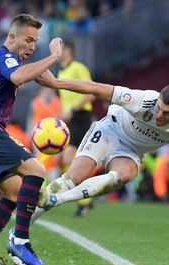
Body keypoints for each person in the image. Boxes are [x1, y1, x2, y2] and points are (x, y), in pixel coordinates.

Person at [27, 70, 169, 227]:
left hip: (130, 151)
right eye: (159, 108)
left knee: (125, 175)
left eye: (166, 113)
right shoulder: (142, 100)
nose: (159, 115)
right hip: (109, 130)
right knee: (73, 178)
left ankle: (58, 199)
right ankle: (21, 231)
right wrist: (55, 83)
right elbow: (95, 88)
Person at [0, 14, 62, 265]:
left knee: (14, 193)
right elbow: (17, 77)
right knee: (37, 170)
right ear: (11, 37)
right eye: (28, 40)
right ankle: (20, 240)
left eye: (35, 42)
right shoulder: (5, 58)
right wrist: (52, 57)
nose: (31, 46)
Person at [56, 39, 96, 216]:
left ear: (68, 50)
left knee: (70, 159)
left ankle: (85, 199)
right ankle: (85, 196)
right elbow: (64, 100)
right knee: (66, 161)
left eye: (60, 49)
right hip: (69, 119)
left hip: (80, 117)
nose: (57, 52)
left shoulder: (78, 68)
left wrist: (73, 109)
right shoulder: (60, 71)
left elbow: (91, 92)